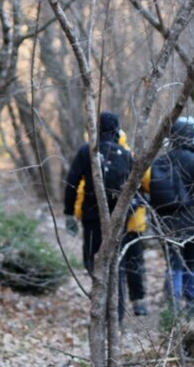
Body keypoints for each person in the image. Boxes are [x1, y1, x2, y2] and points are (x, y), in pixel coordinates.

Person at [62, 111, 150, 317]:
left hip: (92, 218)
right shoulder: (126, 153)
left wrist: (69, 213)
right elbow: (138, 187)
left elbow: (71, 183)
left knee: (94, 260)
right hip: (121, 219)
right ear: (117, 130)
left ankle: (101, 307)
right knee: (116, 264)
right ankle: (116, 314)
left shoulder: (87, 151)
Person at [155, 117, 194, 309]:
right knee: (192, 263)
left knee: (173, 263)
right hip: (192, 221)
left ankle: (173, 304)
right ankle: (192, 304)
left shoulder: (160, 161)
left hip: (166, 221)